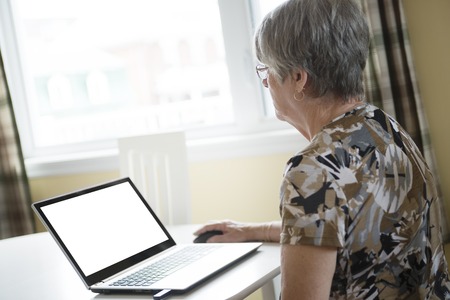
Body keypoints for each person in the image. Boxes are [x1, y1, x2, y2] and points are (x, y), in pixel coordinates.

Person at [194, 0, 450, 299]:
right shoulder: (383, 126)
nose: (266, 83)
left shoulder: (312, 170)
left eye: (266, 71)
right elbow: (347, 228)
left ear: (298, 79)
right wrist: (252, 230)